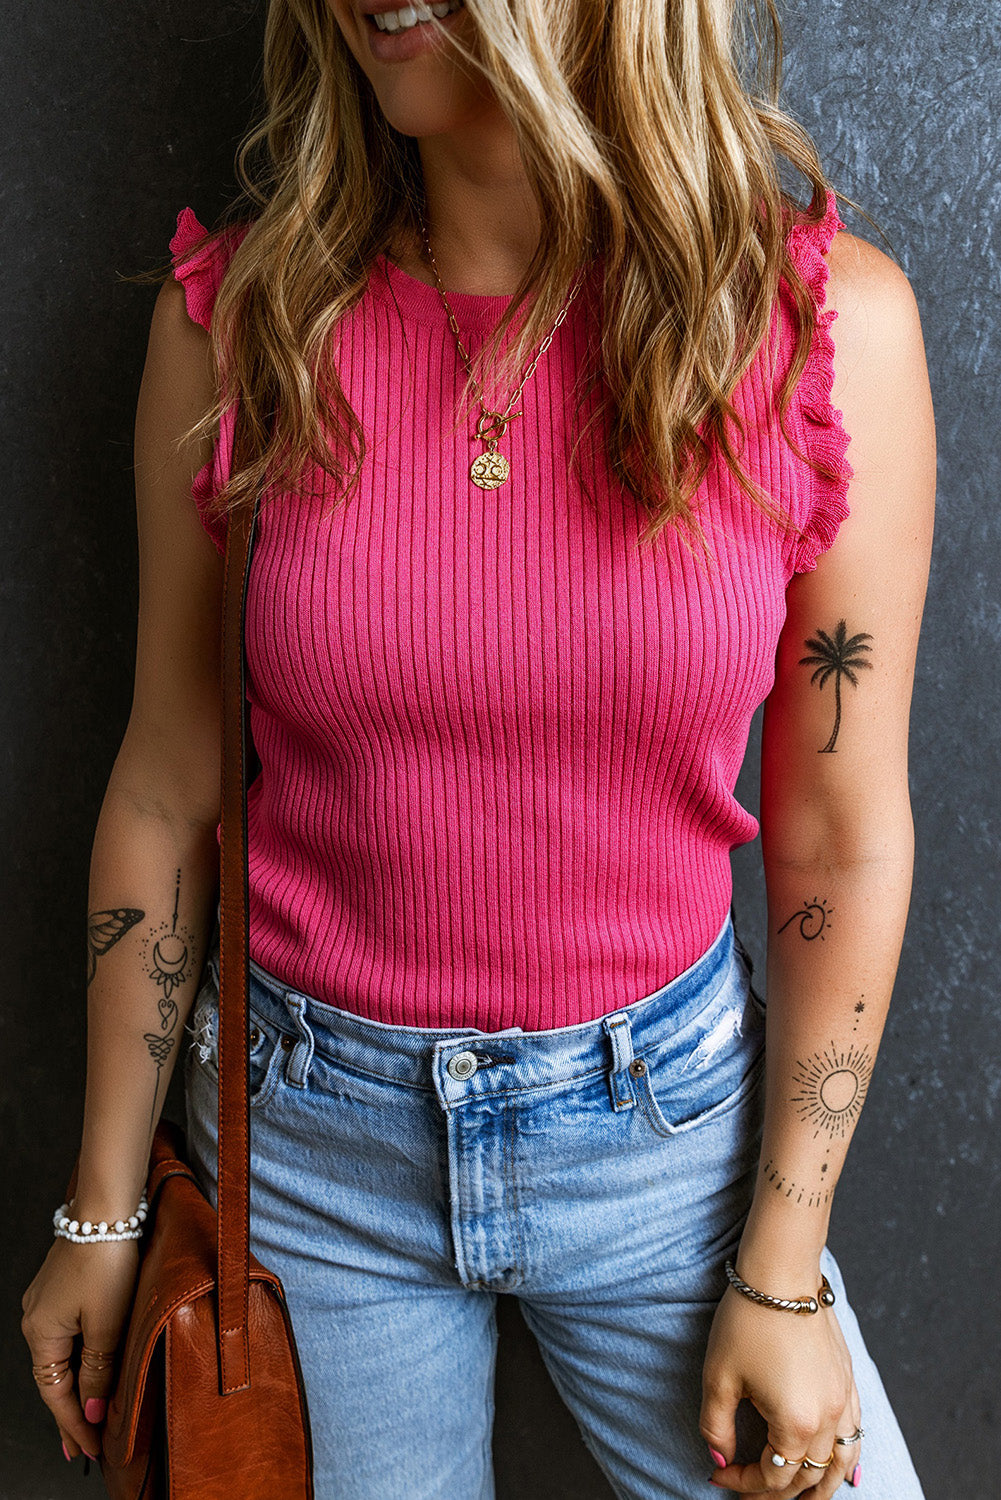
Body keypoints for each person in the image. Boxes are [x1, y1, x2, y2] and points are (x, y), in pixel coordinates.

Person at [21, 0, 935, 1495]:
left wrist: (783, 1264)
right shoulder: (237, 323)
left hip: (669, 1152)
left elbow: (842, 830)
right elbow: (169, 784)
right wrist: (101, 1210)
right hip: (310, 1161)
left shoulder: (821, 332)